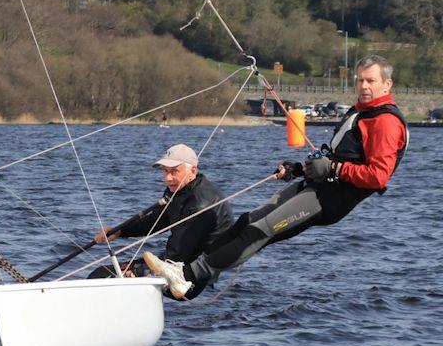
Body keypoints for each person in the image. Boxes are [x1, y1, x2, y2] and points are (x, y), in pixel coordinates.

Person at [146, 55, 408, 299]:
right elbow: (339, 158)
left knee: (259, 231)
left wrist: (332, 169)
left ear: (387, 84)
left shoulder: (384, 121)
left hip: (330, 200)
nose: (363, 86)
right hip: (317, 186)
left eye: (370, 81)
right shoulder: (362, 112)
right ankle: (188, 272)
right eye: (360, 80)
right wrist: (299, 168)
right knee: (247, 221)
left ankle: (186, 276)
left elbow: (377, 177)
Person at [88, 143, 234, 300]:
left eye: (174, 171)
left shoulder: (200, 204)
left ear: (193, 171)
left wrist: (136, 273)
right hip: (175, 263)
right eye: (165, 171)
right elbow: (155, 221)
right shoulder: (180, 189)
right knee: (104, 274)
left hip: (186, 280)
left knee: (104, 276)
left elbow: (178, 255)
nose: (167, 178)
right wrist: (120, 231)